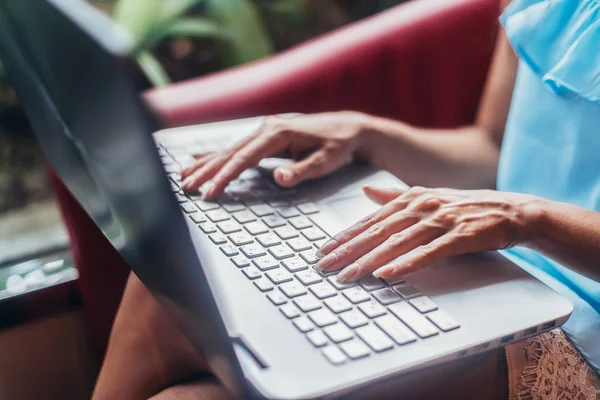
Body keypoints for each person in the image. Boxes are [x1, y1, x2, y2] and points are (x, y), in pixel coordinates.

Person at [93, 0, 600, 398]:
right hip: (498, 273)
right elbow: (491, 147)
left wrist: (531, 218)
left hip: (583, 331)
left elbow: (522, 204)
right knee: (171, 277)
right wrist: (364, 133)